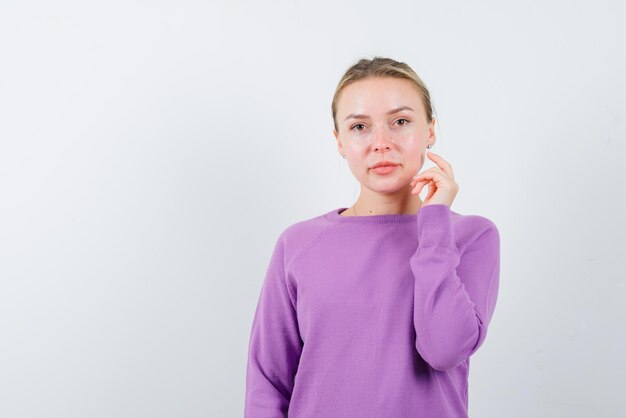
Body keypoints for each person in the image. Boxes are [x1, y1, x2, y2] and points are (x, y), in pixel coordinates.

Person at [244, 56, 500, 418]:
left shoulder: (471, 236)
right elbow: (268, 382)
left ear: (430, 129)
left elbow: (443, 349)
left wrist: (435, 222)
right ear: (339, 141)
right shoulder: (298, 245)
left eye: (400, 121)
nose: (381, 142)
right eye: (360, 127)